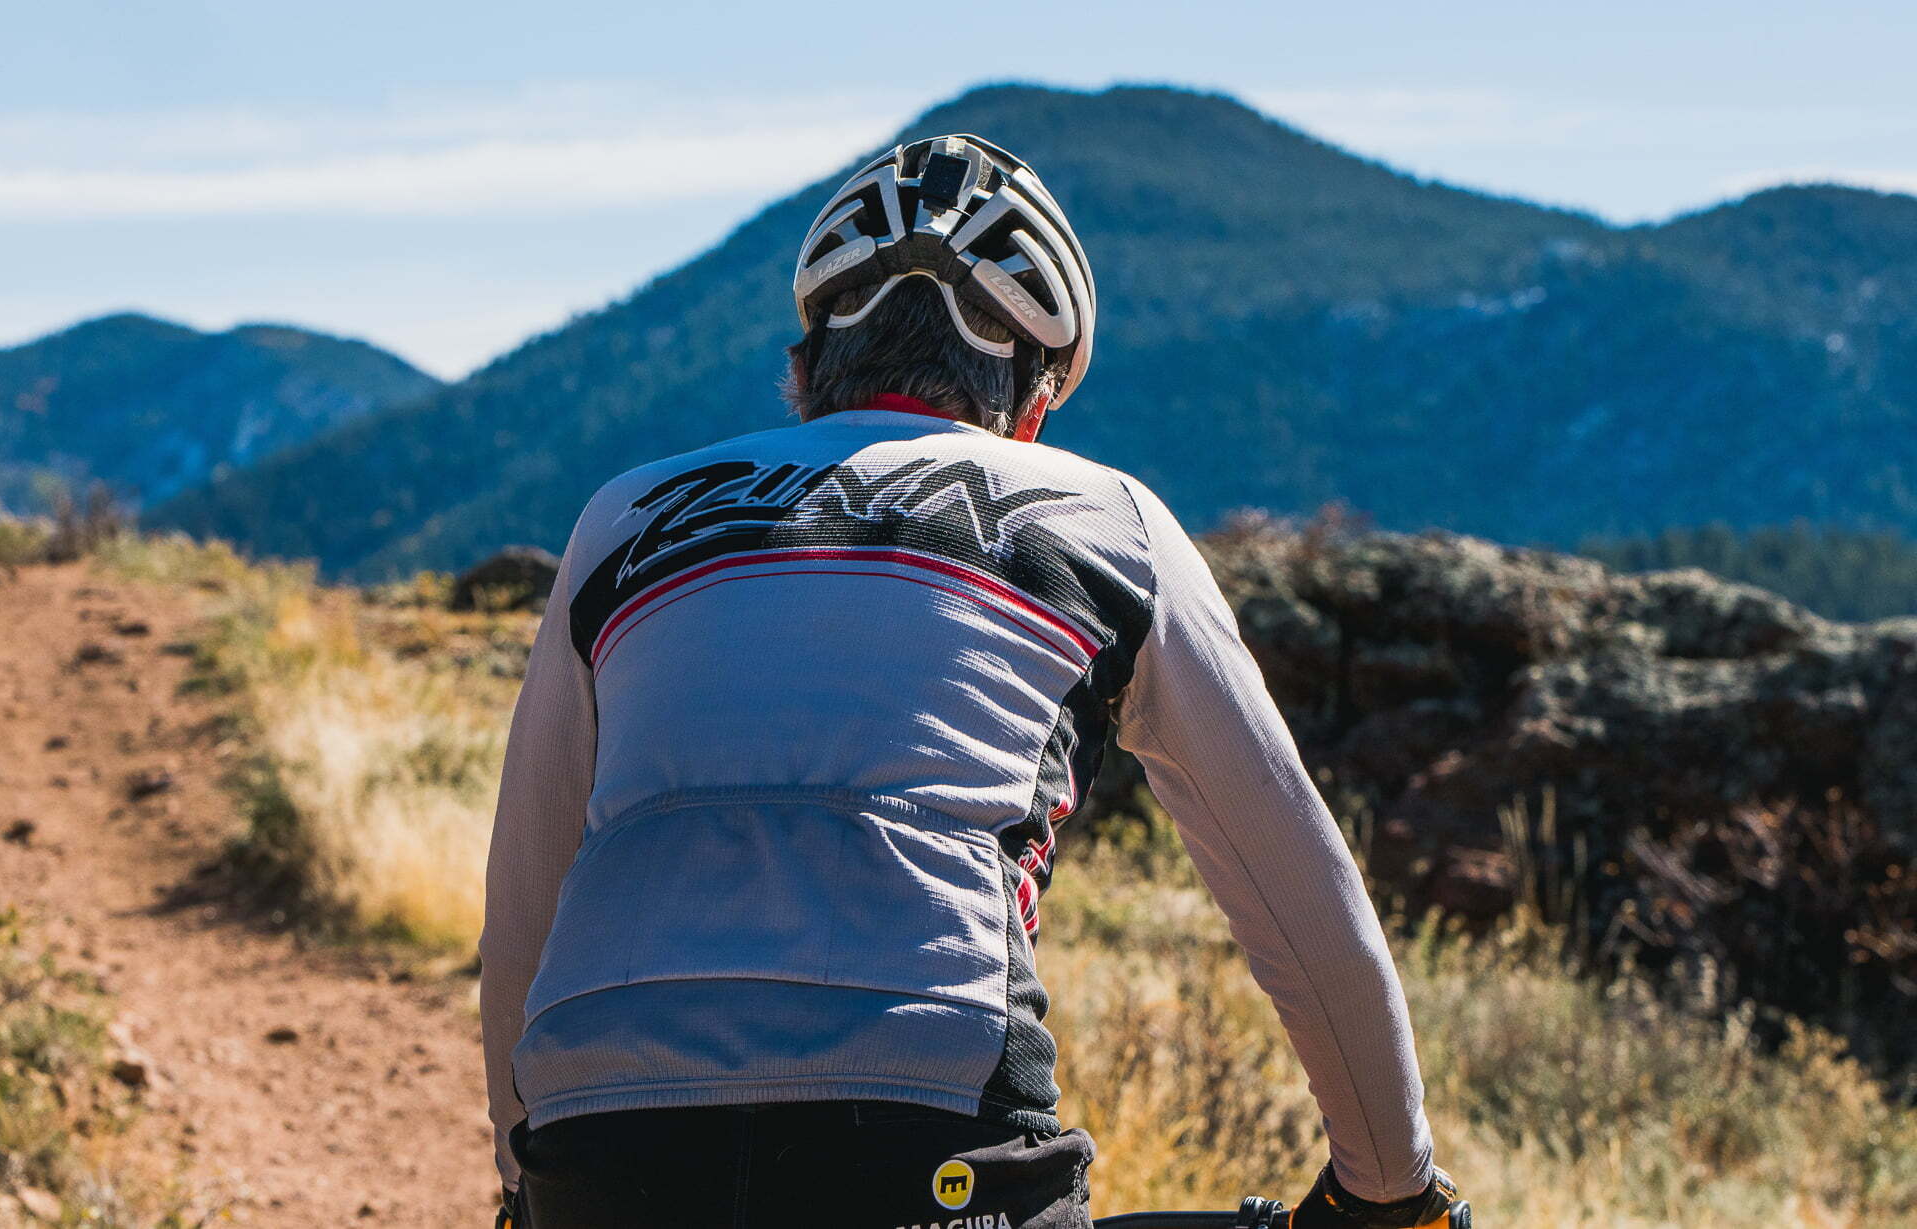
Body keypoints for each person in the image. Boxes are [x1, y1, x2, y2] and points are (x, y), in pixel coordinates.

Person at [481, 134, 1470, 1229]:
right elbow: (1297, 891)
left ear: (804, 377)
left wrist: (526, 1183)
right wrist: (1391, 1190)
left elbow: (527, 885)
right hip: (928, 1117)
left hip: (596, 1128)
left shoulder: (624, 516)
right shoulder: (1105, 520)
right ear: (1035, 404)